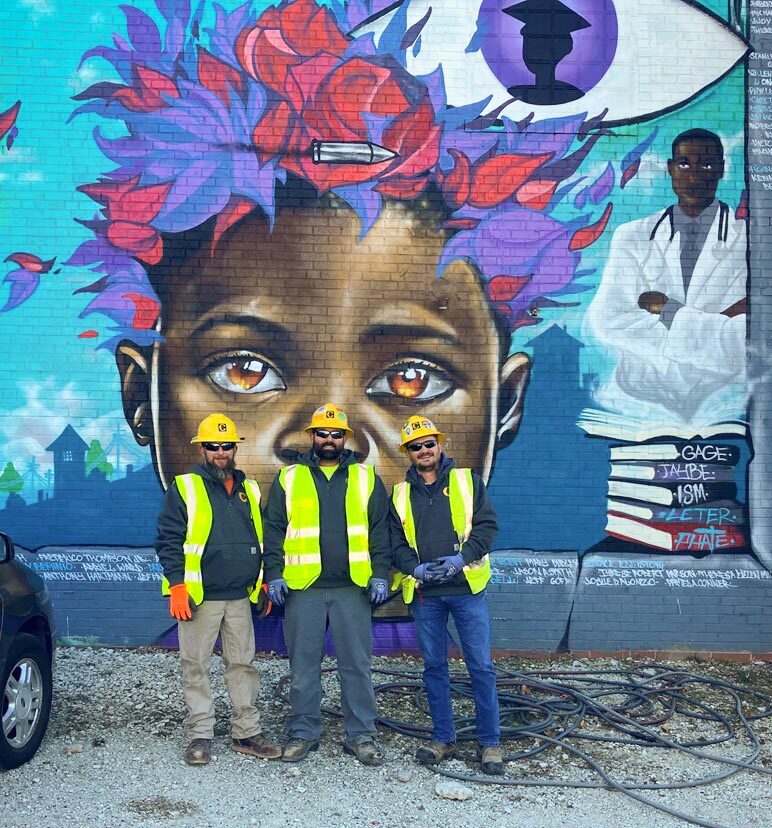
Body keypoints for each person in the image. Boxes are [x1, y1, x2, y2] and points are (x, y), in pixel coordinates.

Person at [261, 403, 391, 765]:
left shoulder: (366, 478)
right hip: (304, 588)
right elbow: (273, 530)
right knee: (303, 666)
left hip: (353, 588)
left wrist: (381, 572)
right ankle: (303, 732)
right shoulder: (289, 478)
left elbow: (382, 531)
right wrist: (273, 574)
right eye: (322, 433)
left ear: (345, 438)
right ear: (312, 436)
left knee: (357, 666)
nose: (329, 440)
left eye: (336, 434)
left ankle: (361, 735)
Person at [587, 128, 747, 422]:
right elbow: (607, 320)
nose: (695, 176)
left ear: (722, 170)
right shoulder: (632, 237)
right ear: (671, 168)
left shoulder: (750, 242)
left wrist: (670, 310)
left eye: (708, 164)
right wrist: (711, 331)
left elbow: (748, 336)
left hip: (724, 407)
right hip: (632, 404)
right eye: (684, 164)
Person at [155, 412, 281, 766]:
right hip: (199, 598)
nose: (221, 452)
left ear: (235, 448)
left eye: (227, 446)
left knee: (243, 664)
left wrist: (267, 581)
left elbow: (265, 537)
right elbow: (168, 539)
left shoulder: (249, 489)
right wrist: (177, 585)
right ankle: (200, 735)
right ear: (203, 449)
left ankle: (247, 733)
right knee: (195, 665)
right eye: (214, 446)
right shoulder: (185, 487)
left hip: (240, 596)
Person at [389, 416, 504, 775]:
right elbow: (395, 544)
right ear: (408, 453)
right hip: (427, 595)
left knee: (480, 667)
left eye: (428, 444)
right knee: (434, 667)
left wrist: (461, 559)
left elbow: (487, 528)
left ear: (440, 445)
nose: (423, 451)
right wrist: (415, 569)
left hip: (466, 589)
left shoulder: (468, 481)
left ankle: (490, 744)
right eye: (415, 446)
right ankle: (443, 737)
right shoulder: (400, 494)